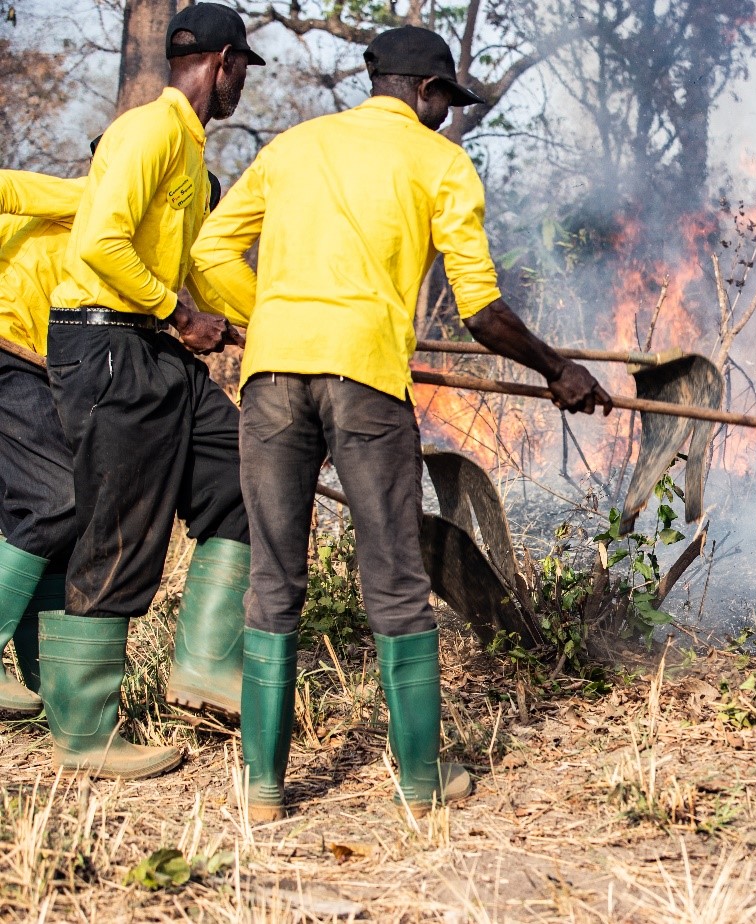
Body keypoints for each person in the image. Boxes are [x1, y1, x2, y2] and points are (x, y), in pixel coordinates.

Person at [192, 24, 613, 821]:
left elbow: (213, 251)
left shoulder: (293, 147)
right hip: (365, 382)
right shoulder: (442, 163)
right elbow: (483, 310)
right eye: (445, 98)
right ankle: (420, 785)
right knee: (392, 574)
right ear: (424, 91)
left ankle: (263, 792)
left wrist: (278, 317)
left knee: (276, 576)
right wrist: (559, 369)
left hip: (274, 375)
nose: (447, 114)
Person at [42, 1, 264, 779]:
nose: (242, 86)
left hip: (154, 347)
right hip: (105, 343)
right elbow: (99, 239)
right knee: (121, 526)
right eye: (243, 71)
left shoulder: (191, 152)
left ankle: (204, 666)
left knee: (246, 478)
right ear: (225, 62)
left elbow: (201, 267)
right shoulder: (150, 129)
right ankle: (83, 730)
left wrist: (264, 327)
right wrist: (176, 312)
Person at [0, 171, 85, 716]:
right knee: (60, 500)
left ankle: (49, 693)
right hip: (8, 346)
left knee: (39, 519)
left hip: (31, 365)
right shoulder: (93, 198)